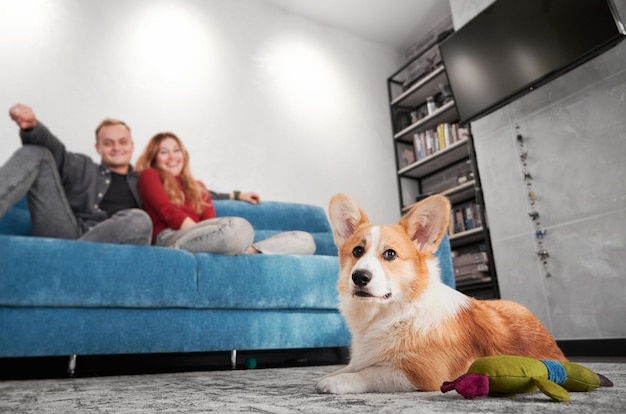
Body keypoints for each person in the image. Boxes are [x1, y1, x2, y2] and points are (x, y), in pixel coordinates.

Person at [135, 132, 315, 255]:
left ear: (184, 154)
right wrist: (207, 235)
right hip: (170, 236)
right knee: (239, 227)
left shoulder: (198, 187)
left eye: (176, 150)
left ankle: (249, 252)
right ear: (154, 158)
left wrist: (215, 239)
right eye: (164, 152)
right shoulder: (149, 175)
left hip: (208, 238)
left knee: (306, 240)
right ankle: (176, 250)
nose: (172, 156)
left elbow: (209, 221)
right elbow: (167, 210)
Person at [0, 103, 152, 244]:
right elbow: (55, 151)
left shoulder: (146, 181)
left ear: (132, 146)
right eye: (108, 143)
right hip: (69, 233)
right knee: (35, 152)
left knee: (139, 219)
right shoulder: (83, 166)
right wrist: (33, 127)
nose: (116, 147)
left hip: (113, 244)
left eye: (123, 142)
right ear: (97, 147)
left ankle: (76, 253)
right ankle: (74, 254)